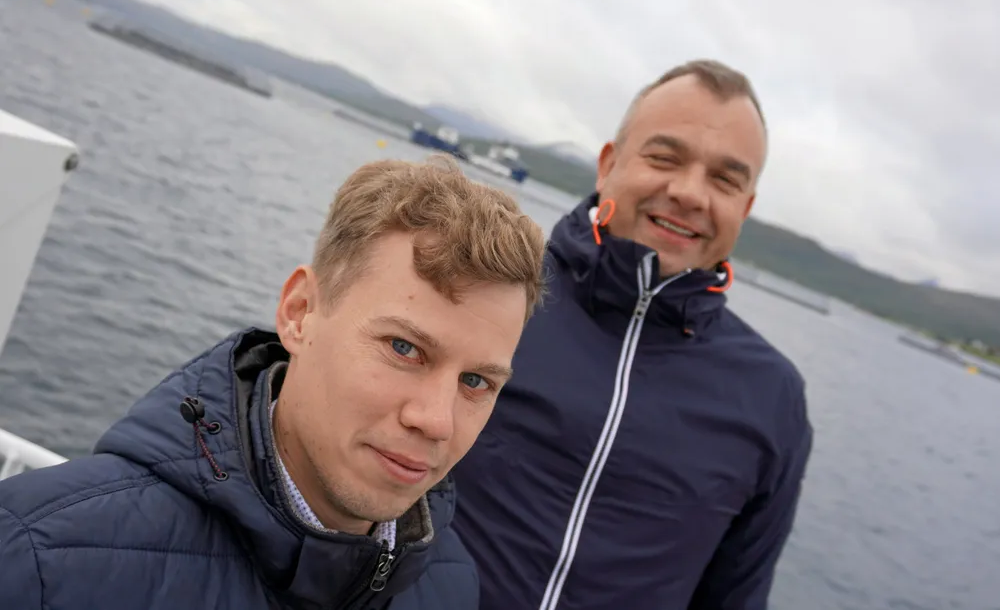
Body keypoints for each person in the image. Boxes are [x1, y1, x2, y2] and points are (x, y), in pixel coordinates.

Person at [0, 157, 547, 610]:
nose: (437, 421)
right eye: (404, 349)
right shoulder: (38, 562)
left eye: (476, 381)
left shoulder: (450, 584)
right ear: (300, 313)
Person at [450, 59, 814, 609]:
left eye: (724, 179)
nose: (690, 193)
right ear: (608, 165)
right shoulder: (491, 289)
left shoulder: (772, 398)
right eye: (664, 158)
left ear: (745, 207)